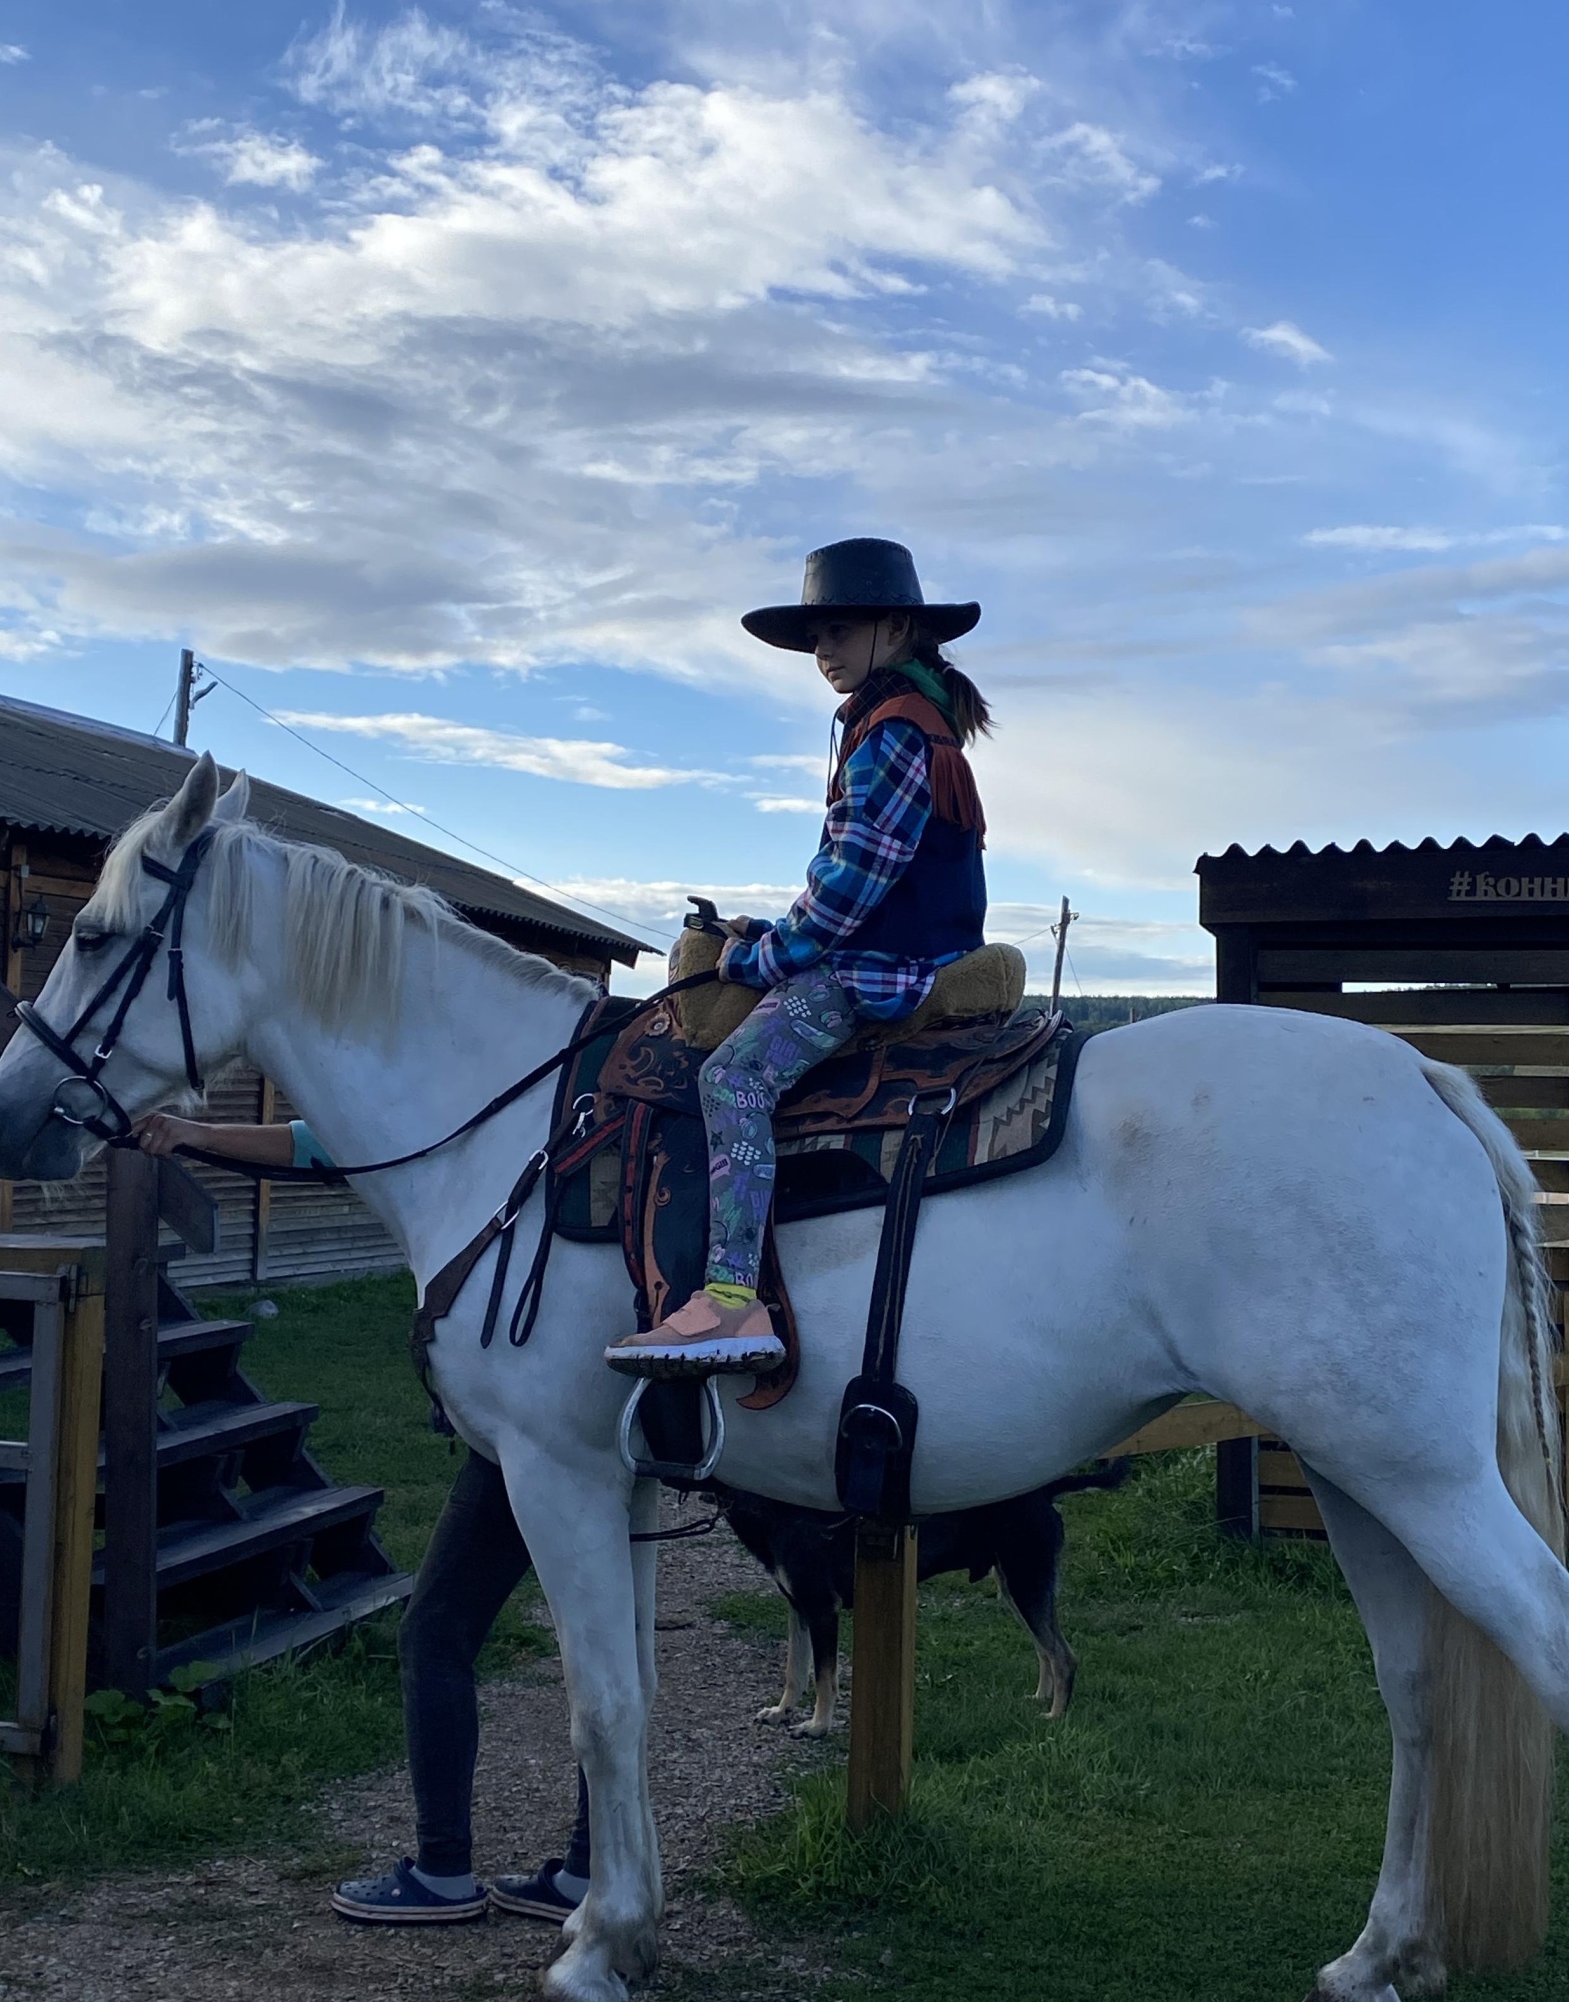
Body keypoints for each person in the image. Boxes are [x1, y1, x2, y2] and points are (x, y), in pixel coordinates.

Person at [136, 1107, 592, 1926]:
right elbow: (318, 1143)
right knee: (595, 1639)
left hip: (528, 1430)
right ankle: (592, 1868)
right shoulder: (527, 1116)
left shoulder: (462, 1119)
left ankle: (445, 1869)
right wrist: (191, 1132)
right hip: (583, 1422)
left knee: (438, 1631)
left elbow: (326, 1144)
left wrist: (190, 1132)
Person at [607, 536, 993, 1375]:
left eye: (840, 631)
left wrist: (754, 959)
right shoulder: (915, 724)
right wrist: (770, 931)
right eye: (815, 636)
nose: (823, 651)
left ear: (897, 628)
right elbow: (849, 880)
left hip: (877, 972)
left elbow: (846, 895)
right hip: (900, 950)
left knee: (732, 1077)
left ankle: (732, 1302)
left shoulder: (892, 734)